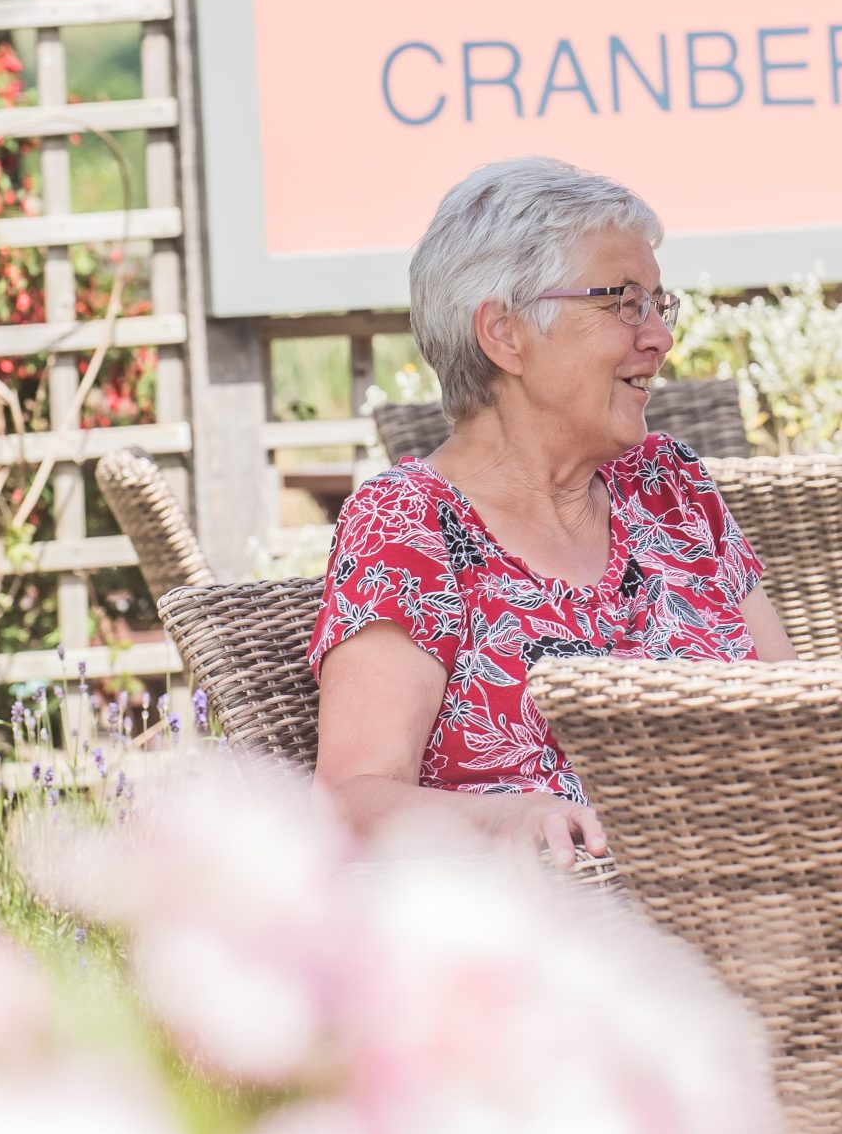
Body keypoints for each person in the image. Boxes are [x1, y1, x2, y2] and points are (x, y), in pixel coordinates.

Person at [310, 157, 796, 867]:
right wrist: (508, 813)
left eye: (661, 303)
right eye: (625, 302)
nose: (659, 335)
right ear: (505, 332)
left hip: (762, 904)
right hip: (561, 940)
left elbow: (802, 713)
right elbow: (349, 799)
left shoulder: (670, 485)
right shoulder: (410, 525)